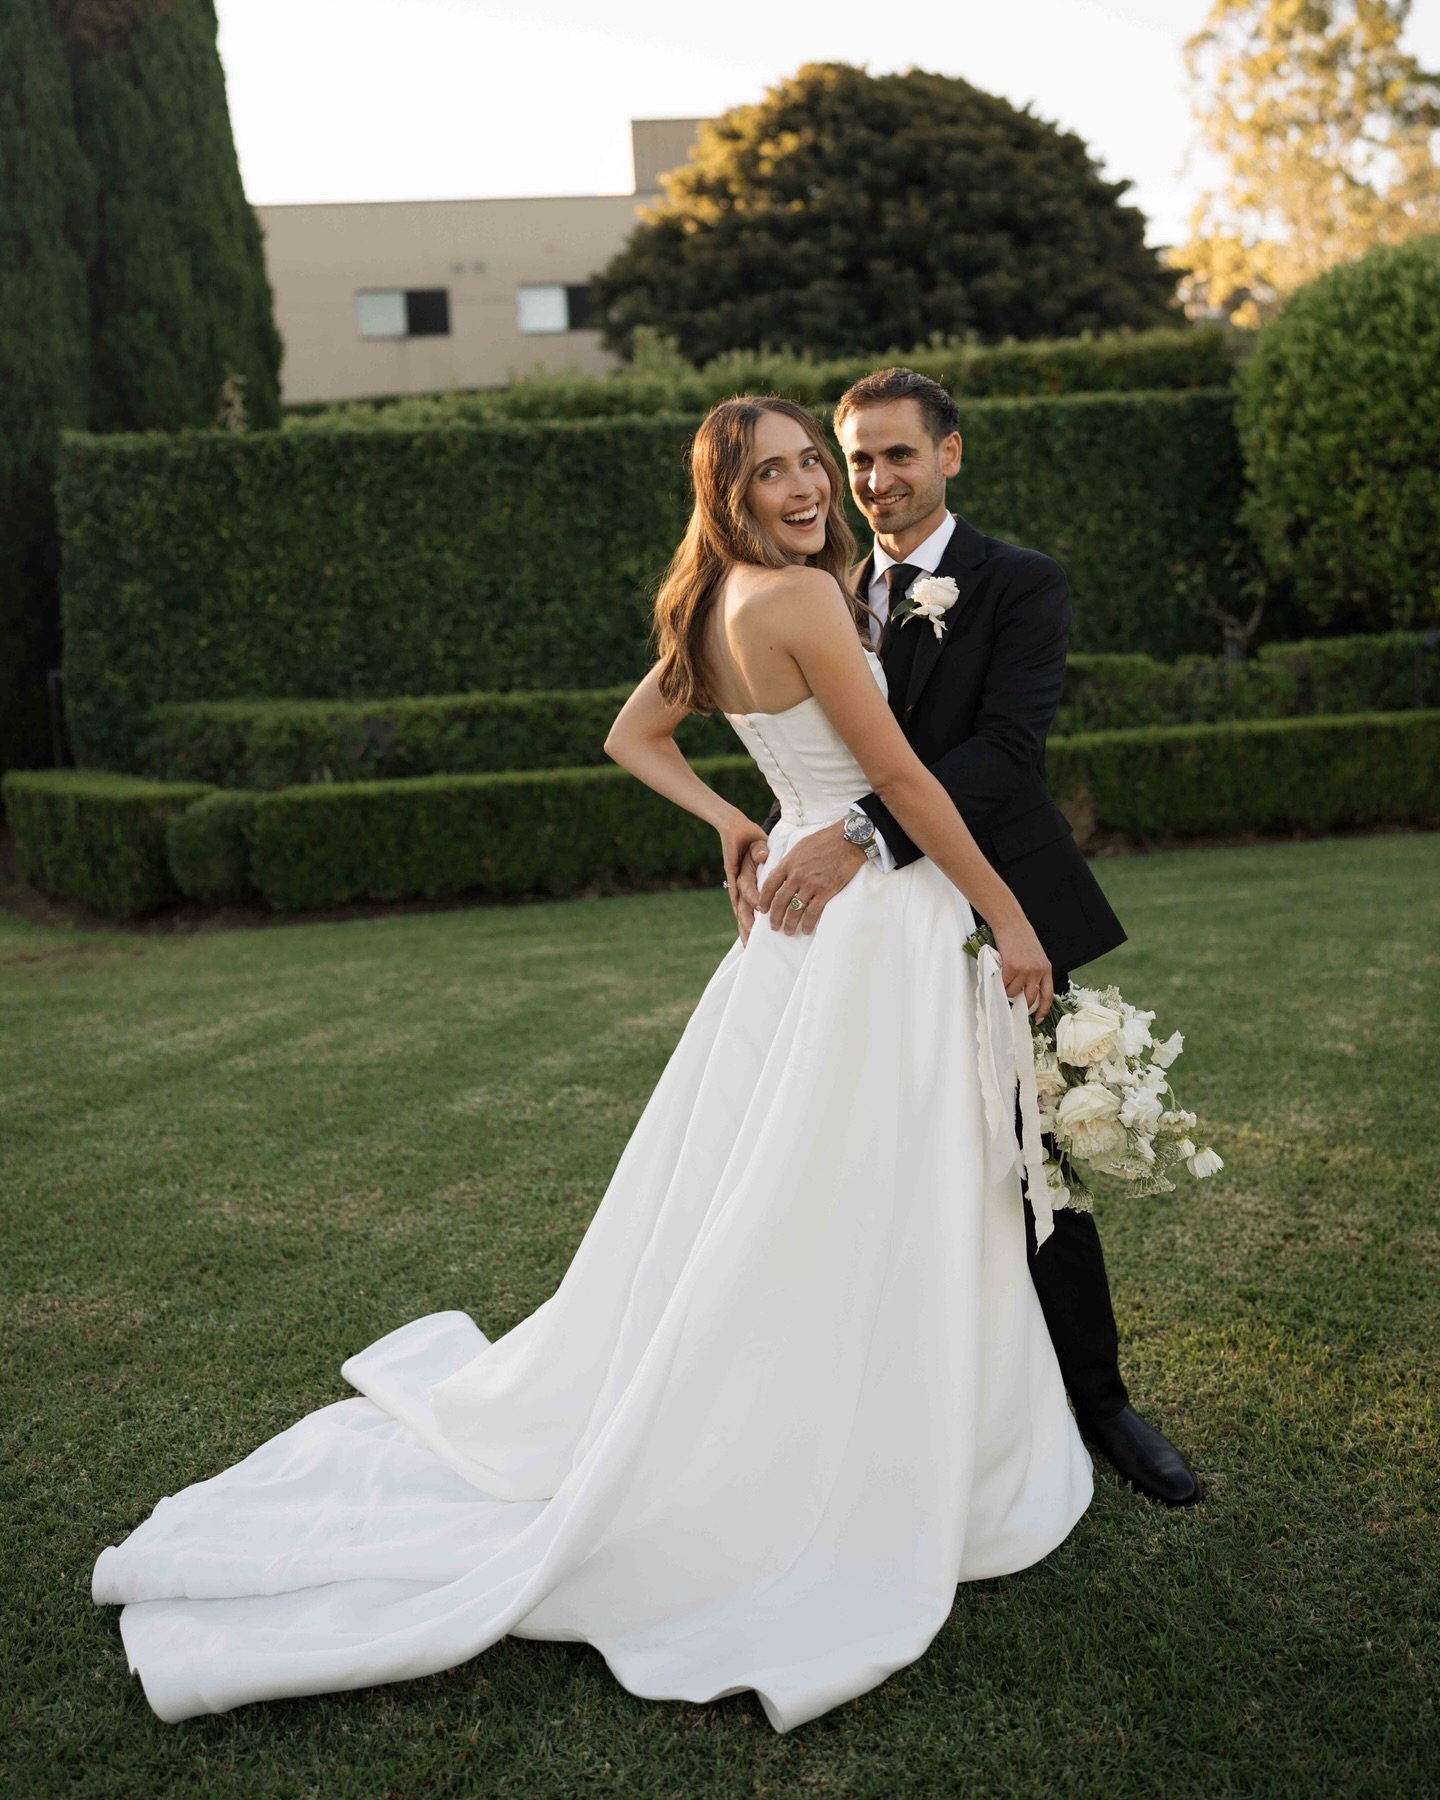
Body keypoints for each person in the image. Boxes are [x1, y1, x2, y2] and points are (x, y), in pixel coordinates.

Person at [91, 396, 1092, 1734]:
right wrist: (1014, 921)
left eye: (814, 464)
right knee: (871, 1181)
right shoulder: (795, 601)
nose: (807, 489)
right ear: (723, 491)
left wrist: (735, 818)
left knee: (809, 1181)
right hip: (865, 929)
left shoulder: (714, 601)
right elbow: (908, 785)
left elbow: (632, 739)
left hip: (799, 928)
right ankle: (873, 1444)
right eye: (774, 472)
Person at [735, 367, 1200, 1508]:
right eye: (859, 461)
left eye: (899, 455)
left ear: (951, 454)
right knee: (888, 1156)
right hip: (871, 939)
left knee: (1037, 1157)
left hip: (1003, 911)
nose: (875, 481)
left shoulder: (1019, 584)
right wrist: (761, 823)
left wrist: (856, 833)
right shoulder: (821, 585)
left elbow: (1004, 754)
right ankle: (912, 1399)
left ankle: (1099, 1403)